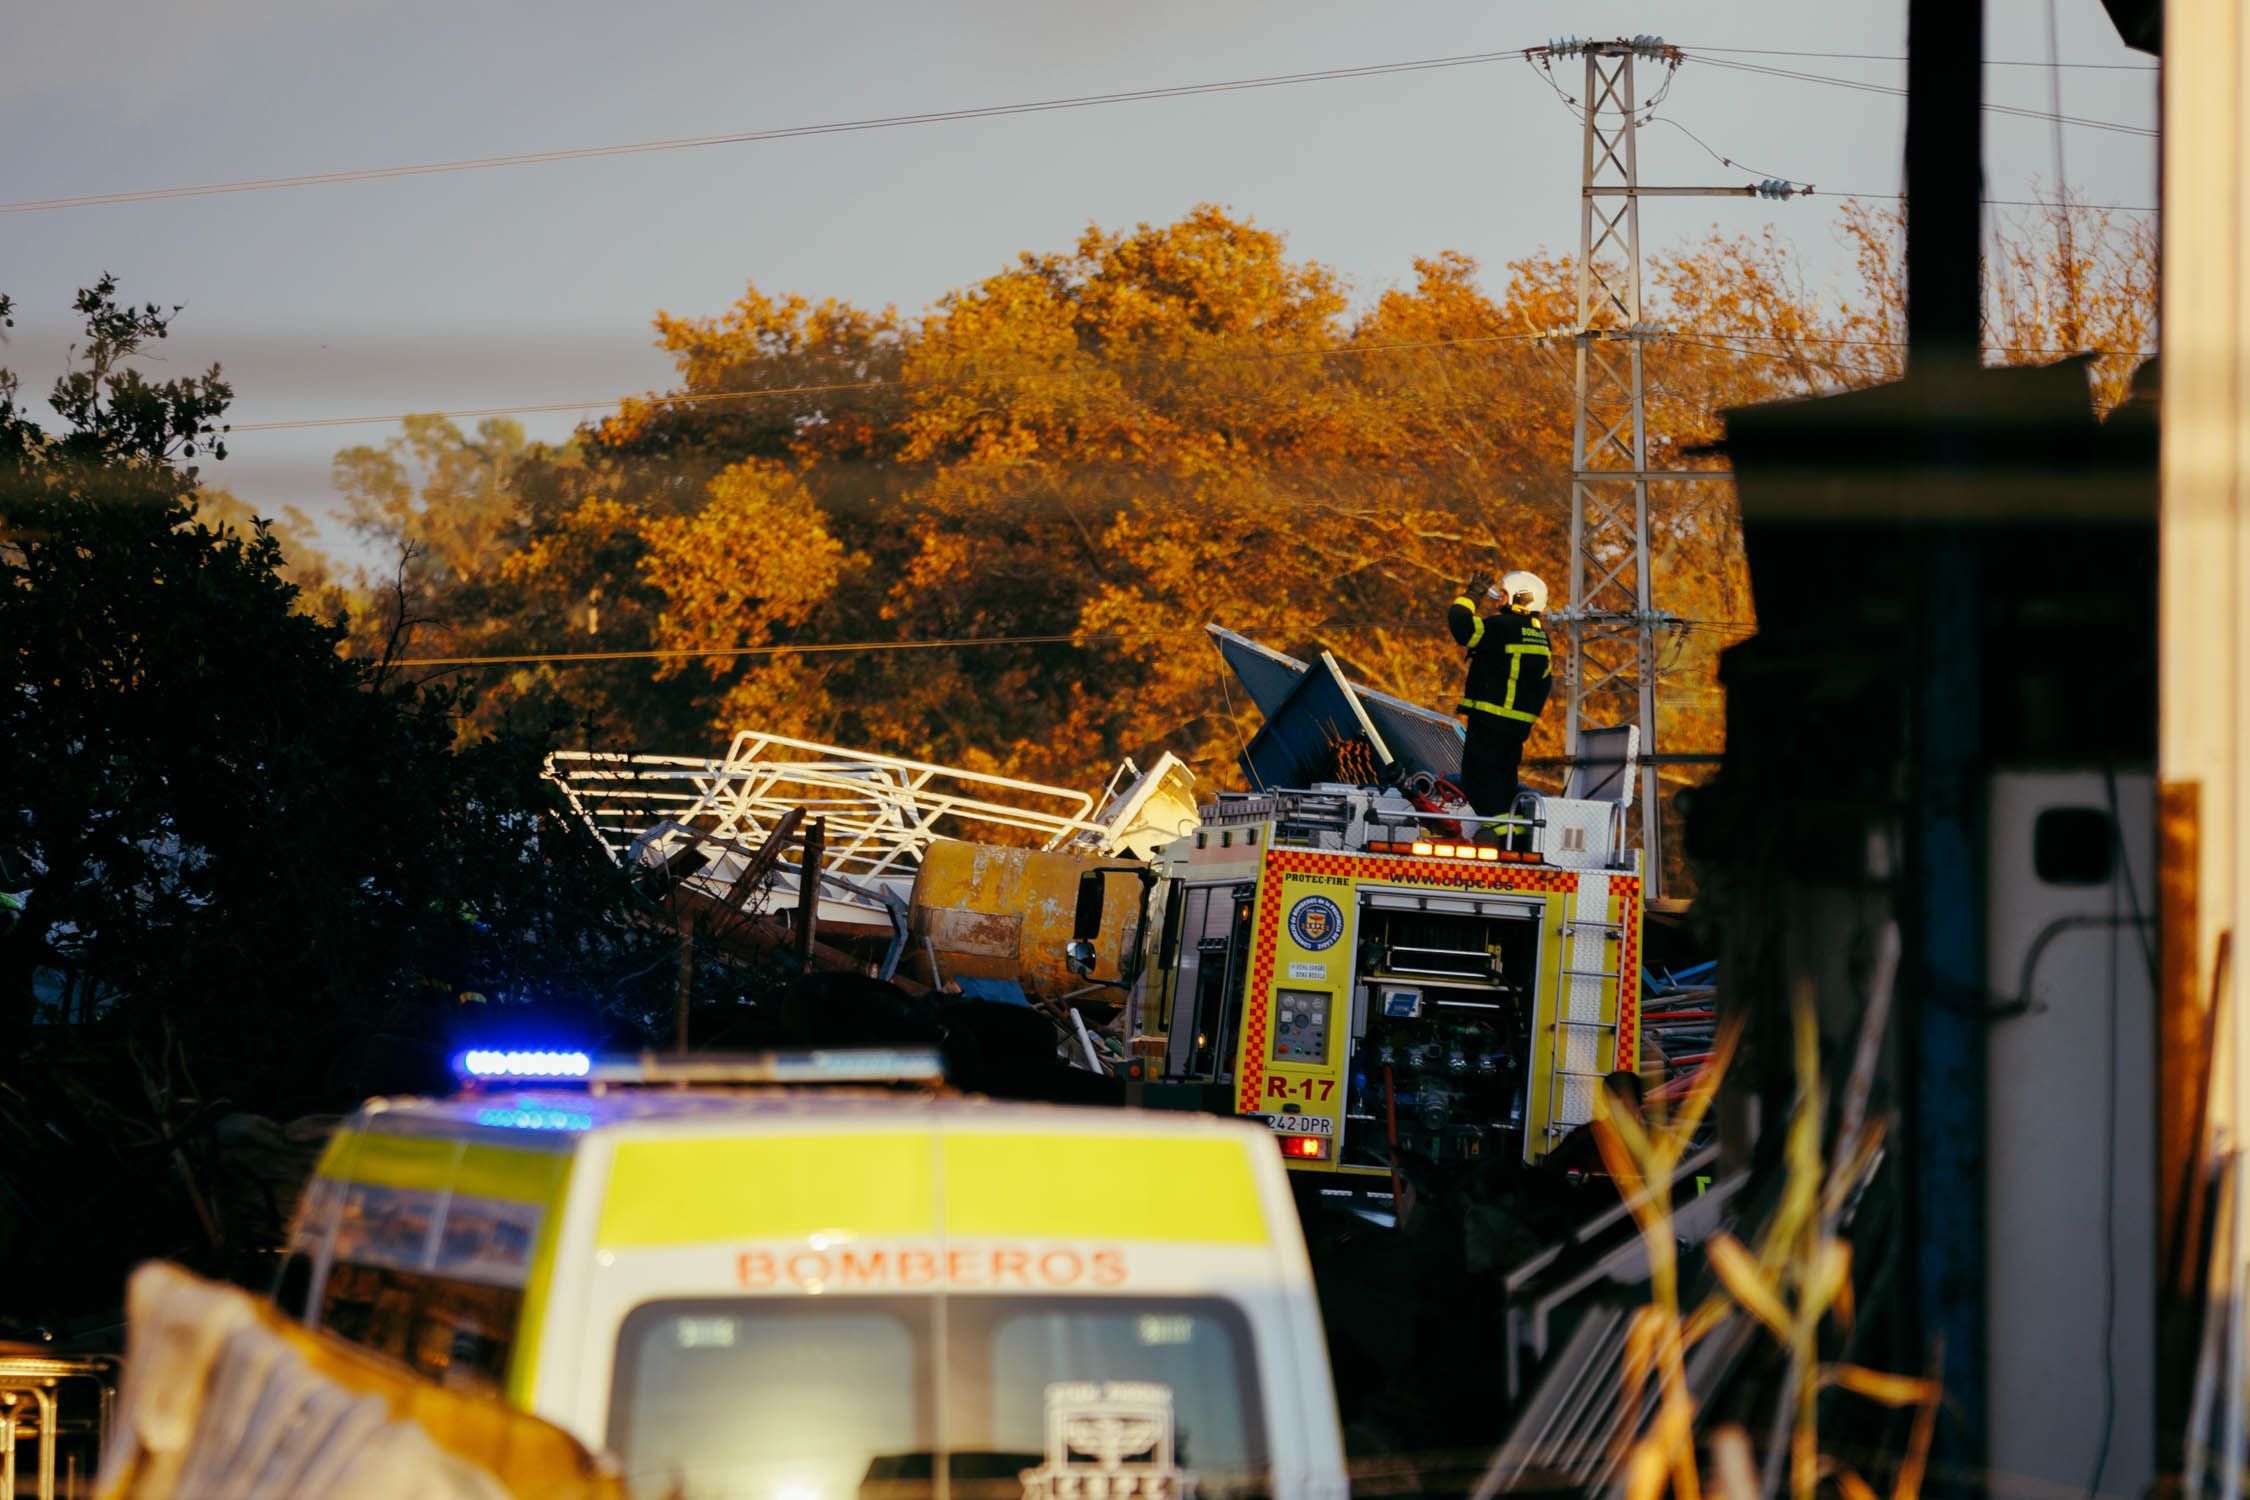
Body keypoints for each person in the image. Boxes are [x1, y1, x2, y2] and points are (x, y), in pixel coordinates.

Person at [1446, 570, 1554, 830]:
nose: (1499, 599)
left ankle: (1498, 834)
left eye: (1504, 594)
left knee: (1478, 780)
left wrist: (1472, 594)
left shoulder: (1502, 627)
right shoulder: (1540, 635)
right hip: (1517, 726)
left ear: (1520, 598)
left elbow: (1461, 625)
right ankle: (1512, 833)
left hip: (1490, 719)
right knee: (1504, 780)